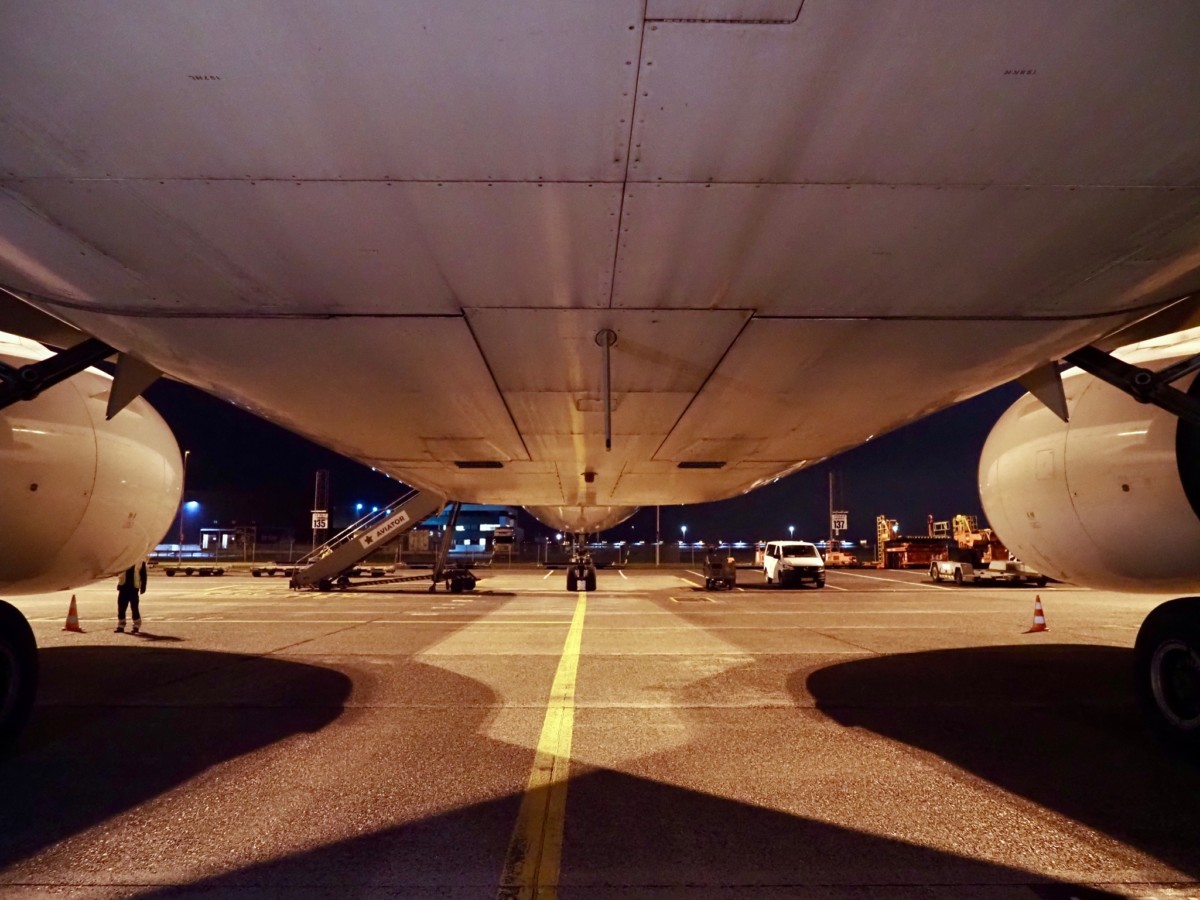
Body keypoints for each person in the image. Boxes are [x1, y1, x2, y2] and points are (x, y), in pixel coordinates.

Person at [115, 559, 148, 634]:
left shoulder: (140, 562)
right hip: (123, 586)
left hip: (133, 587)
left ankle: (136, 625)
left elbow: (143, 574)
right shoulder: (122, 560)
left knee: (134, 607)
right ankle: (121, 625)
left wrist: (143, 587)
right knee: (121, 607)